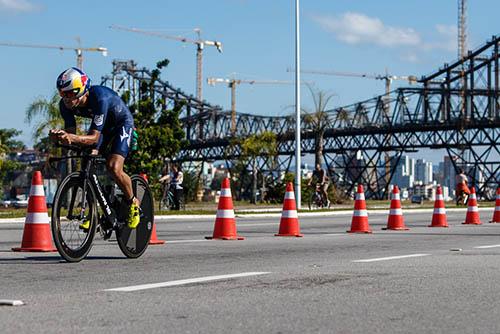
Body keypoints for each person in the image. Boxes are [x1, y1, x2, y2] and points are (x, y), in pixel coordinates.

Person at [49, 67, 140, 229]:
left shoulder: (100, 98)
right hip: (103, 128)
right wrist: (61, 137)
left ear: (81, 90)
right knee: (87, 166)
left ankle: (133, 203)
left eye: (70, 93)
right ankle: (95, 213)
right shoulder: (64, 106)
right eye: (62, 94)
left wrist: (72, 137)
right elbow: (71, 136)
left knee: (113, 167)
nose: (66, 99)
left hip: (121, 124)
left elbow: (94, 138)